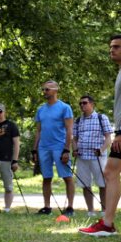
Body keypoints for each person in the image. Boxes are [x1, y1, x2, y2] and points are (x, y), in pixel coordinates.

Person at [80, 33, 121, 236]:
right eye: (111, 46)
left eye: (116, 46)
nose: (111, 50)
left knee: (110, 173)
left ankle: (107, 225)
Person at [32, 80, 75, 216]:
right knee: (46, 177)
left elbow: (69, 130)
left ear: (55, 91)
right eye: (43, 89)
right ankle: (47, 207)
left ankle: (70, 208)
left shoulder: (65, 107)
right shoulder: (40, 109)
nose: (44, 92)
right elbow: (39, 130)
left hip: (60, 147)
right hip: (43, 148)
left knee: (67, 177)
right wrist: (34, 150)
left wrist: (66, 150)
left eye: (47, 89)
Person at [71, 95, 113, 217]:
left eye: (84, 103)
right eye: (80, 103)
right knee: (85, 184)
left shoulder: (101, 118)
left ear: (92, 104)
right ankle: (90, 211)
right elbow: (74, 139)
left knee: (103, 184)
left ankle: (104, 210)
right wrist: (75, 150)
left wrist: (101, 150)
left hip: (98, 157)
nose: (82, 105)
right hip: (82, 157)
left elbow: (108, 138)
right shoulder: (77, 121)